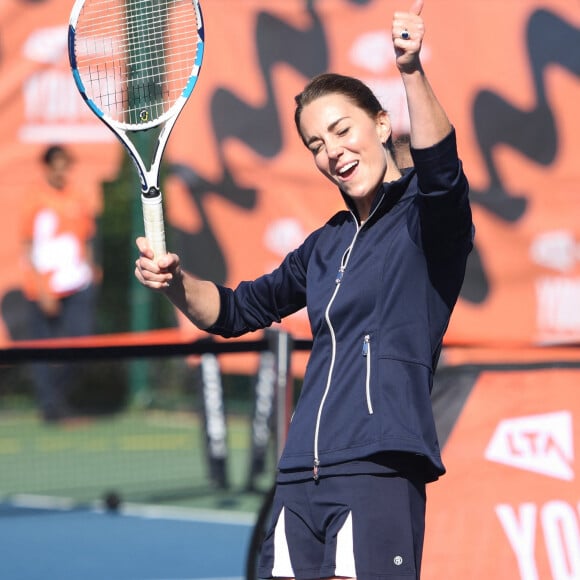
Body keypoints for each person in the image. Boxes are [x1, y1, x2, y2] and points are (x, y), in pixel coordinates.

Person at [135, 0, 473, 577]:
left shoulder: (427, 218)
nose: (332, 151)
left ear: (383, 124)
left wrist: (411, 68)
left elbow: (442, 171)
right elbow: (237, 310)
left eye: (341, 130)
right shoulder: (324, 246)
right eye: (316, 144)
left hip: (377, 473)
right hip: (298, 481)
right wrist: (175, 283)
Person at [20, 144, 100, 423]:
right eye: (57, 163)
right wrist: (41, 290)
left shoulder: (77, 197)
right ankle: (51, 408)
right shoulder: (35, 200)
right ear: (47, 166)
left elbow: (87, 238)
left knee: (81, 344)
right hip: (44, 290)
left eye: (65, 163)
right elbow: (29, 248)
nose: (61, 169)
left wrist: (91, 273)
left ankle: (57, 398)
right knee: (43, 351)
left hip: (77, 285)